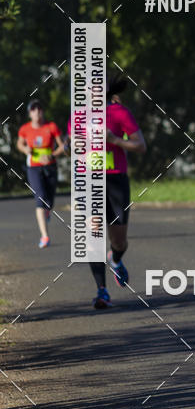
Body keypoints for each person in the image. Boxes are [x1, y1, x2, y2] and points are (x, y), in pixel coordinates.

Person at [70, 75, 146, 309]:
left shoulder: (119, 113)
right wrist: (69, 147)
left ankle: (115, 259)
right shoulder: (78, 116)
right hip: (88, 181)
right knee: (93, 233)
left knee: (119, 240)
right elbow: (70, 146)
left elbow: (141, 146)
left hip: (116, 181)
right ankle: (101, 291)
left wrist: (114, 139)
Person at [17, 100, 65, 248]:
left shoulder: (51, 127)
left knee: (49, 200)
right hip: (33, 168)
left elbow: (63, 146)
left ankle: (47, 210)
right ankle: (45, 236)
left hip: (50, 167)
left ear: (42, 111)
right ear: (30, 113)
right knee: (40, 198)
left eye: (39, 109)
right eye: (33, 109)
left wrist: (52, 155)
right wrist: (25, 150)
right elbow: (19, 143)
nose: (37, 112)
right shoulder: (25, 129)